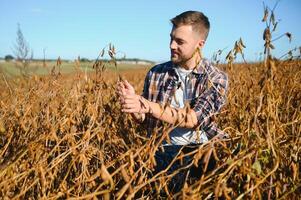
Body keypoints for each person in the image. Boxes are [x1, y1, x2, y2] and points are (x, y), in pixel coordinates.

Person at [117, 10, 228, 193]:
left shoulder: (216, 79)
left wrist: (146, 105)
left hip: (200, 151)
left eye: (180, 42)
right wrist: (134, 106)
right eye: (171, 38)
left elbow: (192, 119)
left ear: (200, 45)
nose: (171, 45)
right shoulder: (156, 73)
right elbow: (146, 121)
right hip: (161, 150)